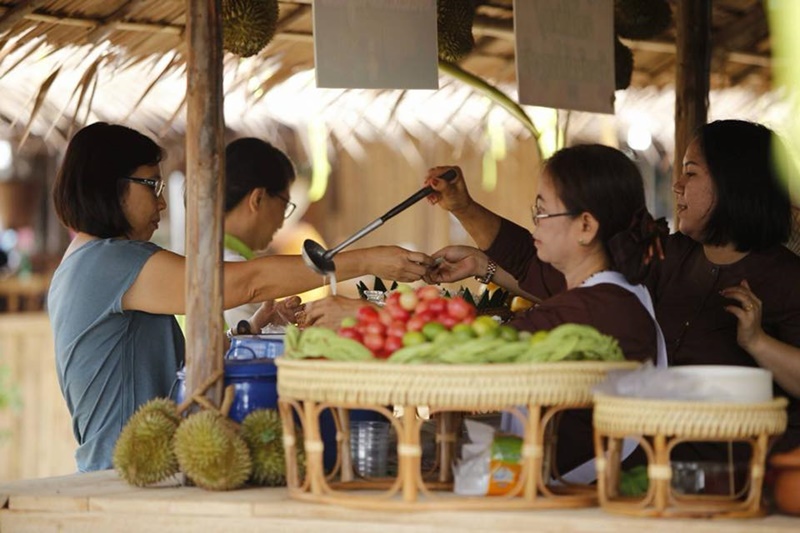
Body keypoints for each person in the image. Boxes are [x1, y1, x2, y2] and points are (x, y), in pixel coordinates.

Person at [47, 122, 433, 472]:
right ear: (109, 184)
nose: (162, 203)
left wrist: (249, 331)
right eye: (152, 185)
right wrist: (367, 260)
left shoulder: (84, 260)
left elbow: (158, 366)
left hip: (135, 465)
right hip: (126, 474)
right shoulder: (110, 262)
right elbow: (249, 283)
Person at [425, 119, 800, 464]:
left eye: (691, 173)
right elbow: (565, 276)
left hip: (740, 472)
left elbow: (583, 291)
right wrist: (468, 220)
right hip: (646, 466)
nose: (677, 185)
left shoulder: (785, 278)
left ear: (734, 183)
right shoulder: (666, 256)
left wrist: (758, 343)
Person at [424, 144, 669, 478]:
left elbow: (479, 355)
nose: (535, 224)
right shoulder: (611, 294)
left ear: (585, 226)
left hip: (585, 509)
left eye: (542, 212)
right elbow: (526, 261)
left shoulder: (593, 309)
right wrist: (466, 217)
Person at [222, 137, 303, 333]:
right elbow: (252, 347)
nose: (282, 222)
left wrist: (275, 320)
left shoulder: (204, 255)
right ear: (258, 199)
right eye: (284, 205)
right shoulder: (233, 265)